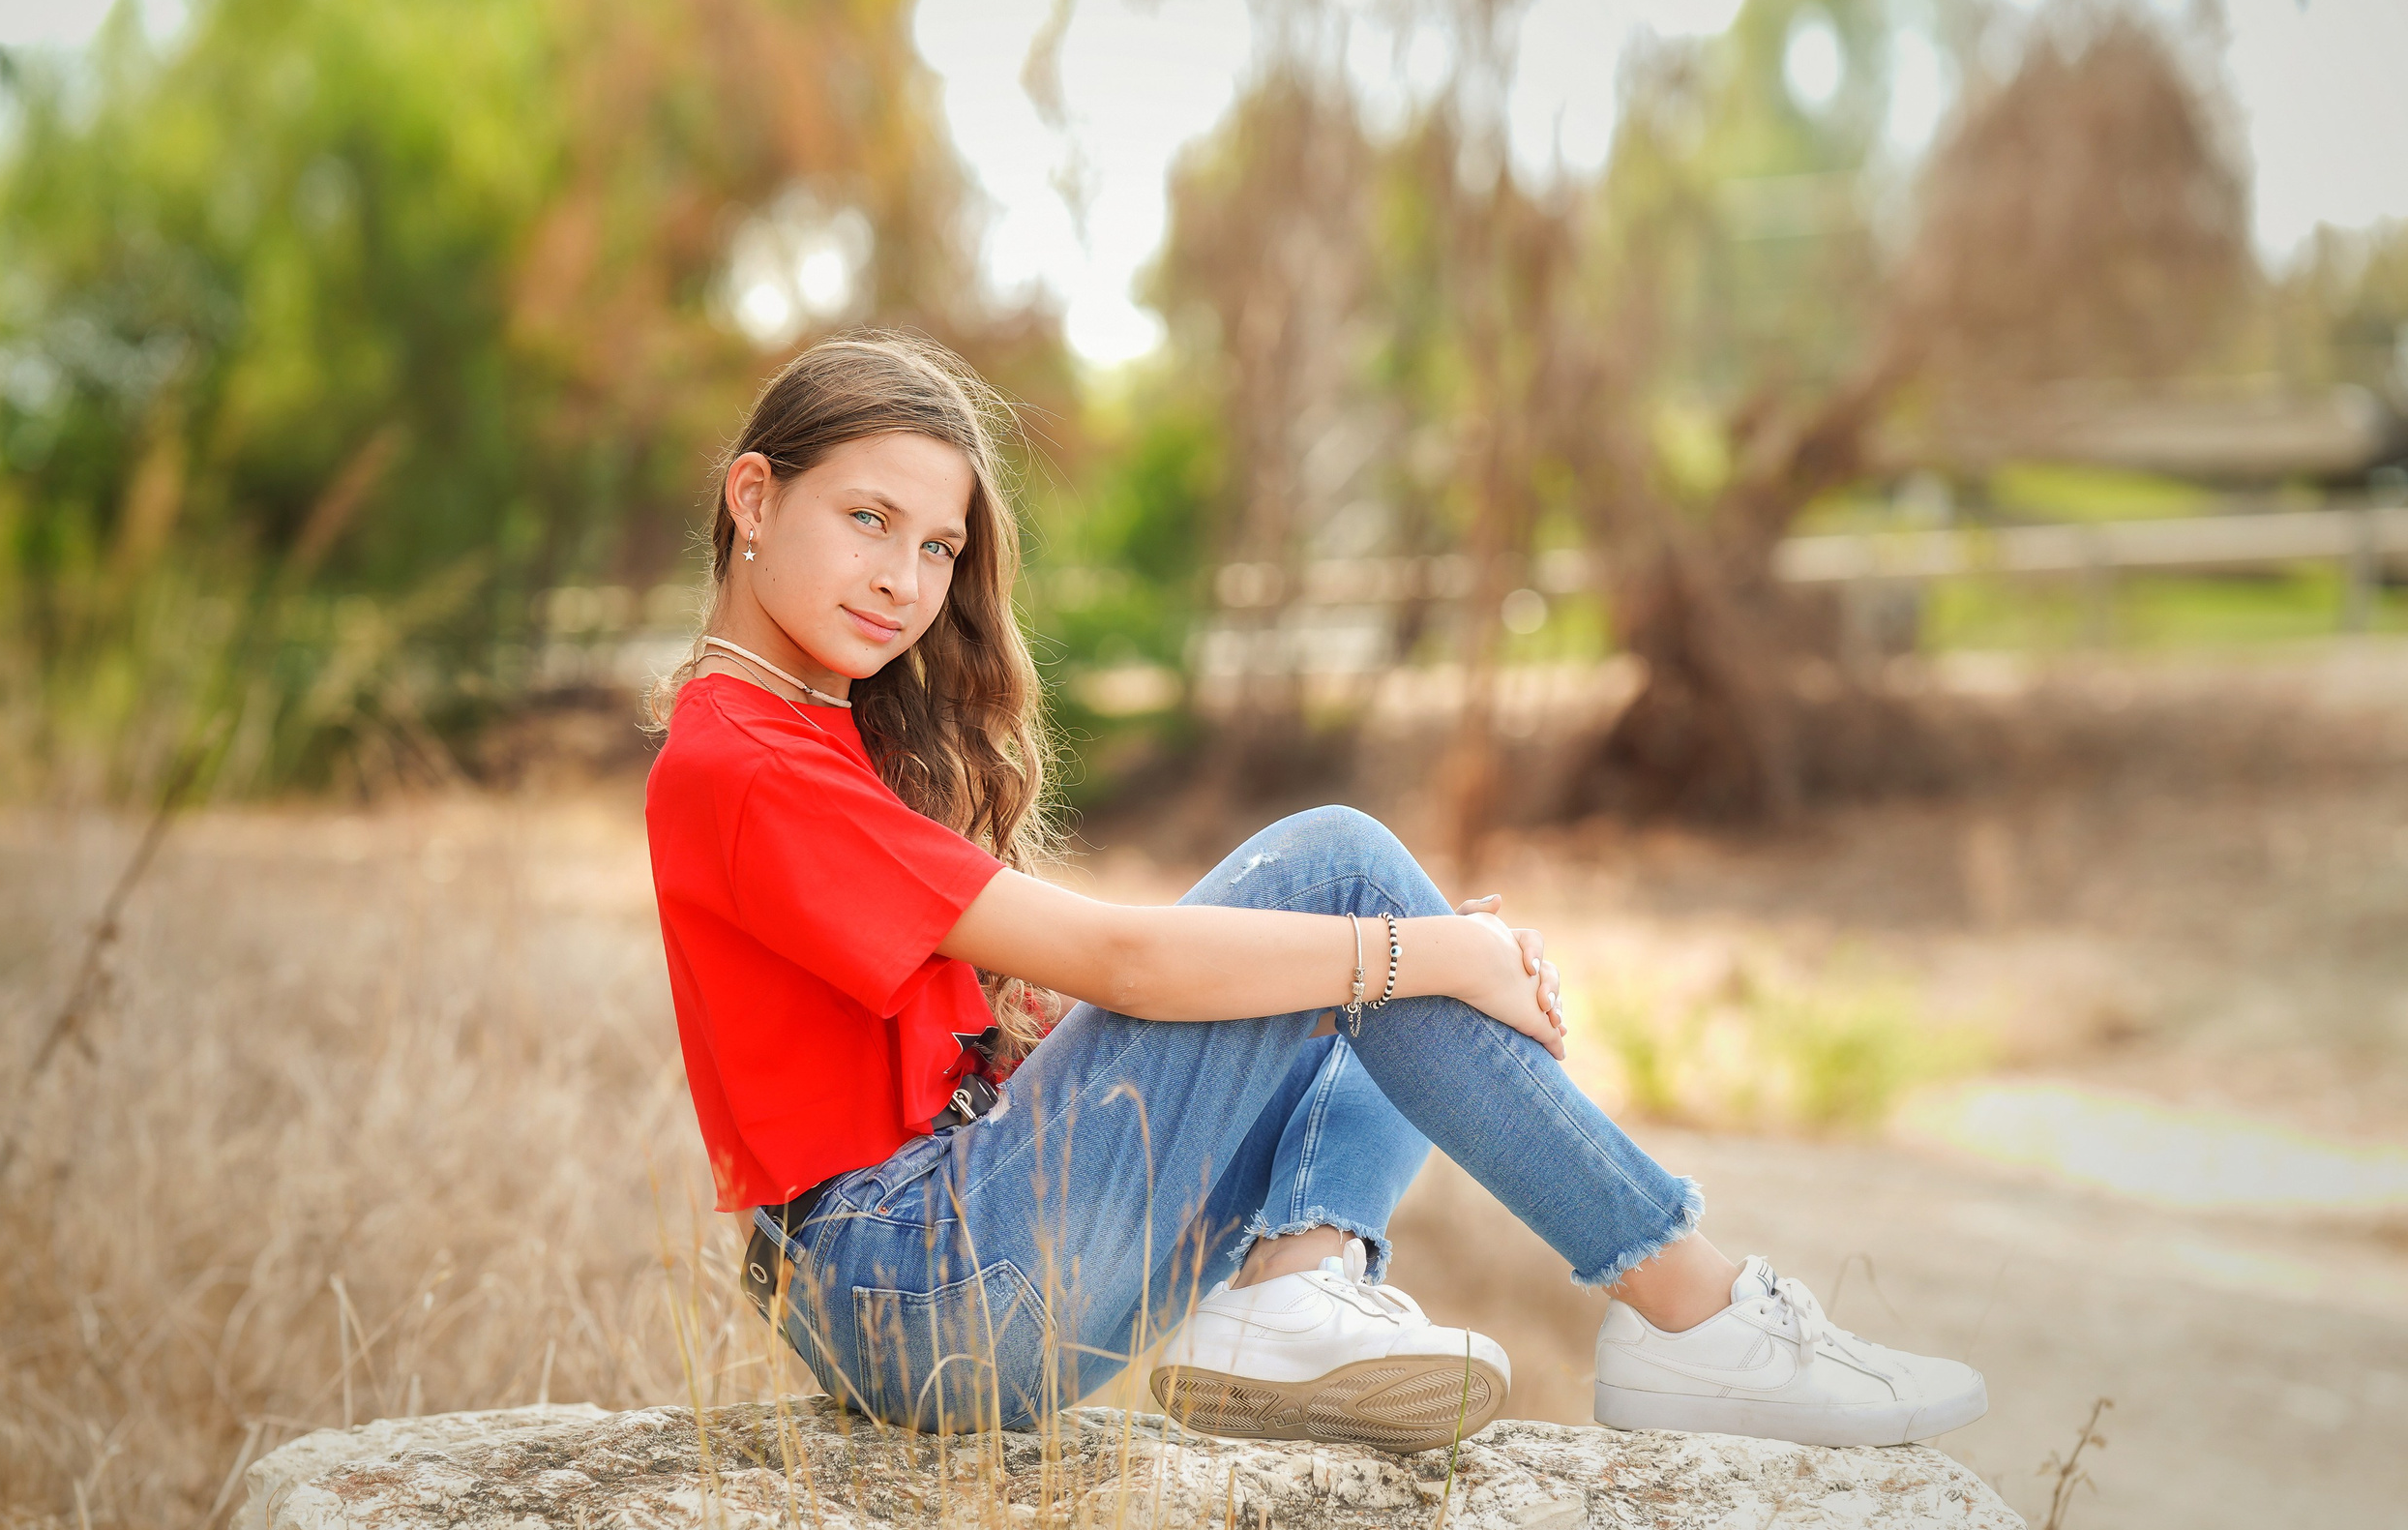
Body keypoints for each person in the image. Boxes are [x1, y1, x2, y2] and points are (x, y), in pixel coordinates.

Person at [644, 332, 1986, 1455]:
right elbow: (1130, 962)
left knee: (1373, 949)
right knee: (1350, 876)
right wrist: (1442, 963)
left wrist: (1034, 1039)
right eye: (868, 521)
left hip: (931, 1284)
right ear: (755, 499)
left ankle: (1299, 1280)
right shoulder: (746, 758)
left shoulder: (805, 739)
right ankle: (1690, 1309)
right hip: (919, 1289)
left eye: (938, 548)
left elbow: (910, 1042)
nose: (905, 581)